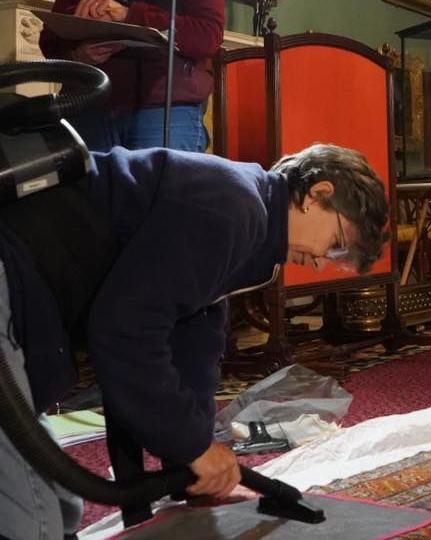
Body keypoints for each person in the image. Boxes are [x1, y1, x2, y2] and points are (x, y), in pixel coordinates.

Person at [0, 143, 389, 539]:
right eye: (337, 242)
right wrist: (194, 450)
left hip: (28, 293)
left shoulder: (247, 221)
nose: (323, 260)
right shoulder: (233, 211)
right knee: (34, 525)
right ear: (316, 194)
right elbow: (126, 332)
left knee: (62, 511)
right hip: (10, 268)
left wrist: (193, 460)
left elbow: (194, 345)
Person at [39, 0, 225, 152]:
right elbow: (49, 38)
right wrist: (77, 54)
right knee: (81, 196)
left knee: (160, 194)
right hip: (88, 105)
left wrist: (128, 15)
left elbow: (207, 35)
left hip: (165, 108)